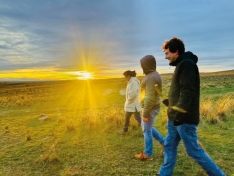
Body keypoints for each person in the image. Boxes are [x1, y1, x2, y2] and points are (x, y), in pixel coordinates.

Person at [157, 37, 226, 176]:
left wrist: (180, 113)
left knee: (194, 151)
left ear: (175, 51)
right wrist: (170, 103)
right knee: (169, 146)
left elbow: (188, 91)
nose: (165, 57)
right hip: (174, 118)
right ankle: (164, 174)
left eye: (167, 53)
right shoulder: (181, 64)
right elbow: (180, 91)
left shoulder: (187, 64)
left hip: (184, 119)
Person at [135, 55, 164, 160]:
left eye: (142, 65)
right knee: (148, 128)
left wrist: (145, 113)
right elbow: (146, 92)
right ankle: (165, 144)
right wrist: (140, 100)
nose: (141, 67)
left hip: (151, 108)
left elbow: (151, 98)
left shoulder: (151, 77)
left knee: (147, 131)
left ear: (146, 65)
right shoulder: (152, 75)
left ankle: (148, 154)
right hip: (152, 107)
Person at [118, 70, 141, 135]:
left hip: (133, 104)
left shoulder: (133, 82)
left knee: (137, 118)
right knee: (128, 116)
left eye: (125, 77)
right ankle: (125, 130)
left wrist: (128, 100)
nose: (125, 78)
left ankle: (148, 129)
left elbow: (133, 93)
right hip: (133, 103)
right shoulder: (132, 81)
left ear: (128, 76)